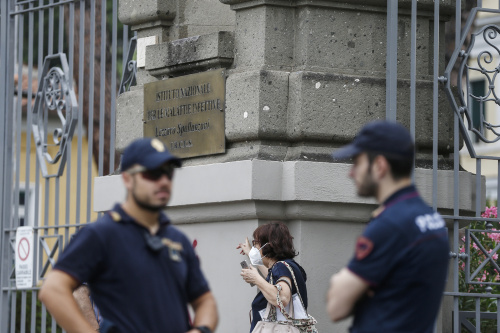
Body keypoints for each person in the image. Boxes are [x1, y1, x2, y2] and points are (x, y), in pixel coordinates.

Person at [39, 137, 218, 333]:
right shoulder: (102, 234)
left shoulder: (177, 239)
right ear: (127, 179)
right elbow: (53, 290)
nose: (164, 181)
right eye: (153, 173)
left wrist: (200, 330)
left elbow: (205, 301)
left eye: (168, 173)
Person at [326, 120, 449, 333]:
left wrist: (346, 281)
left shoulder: (390, 224)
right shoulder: (431, 218)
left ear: (380, 166)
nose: (351, 172)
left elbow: (336, 306)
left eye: (357, 162)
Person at [237, 222, 310, 332]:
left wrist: (256, 279)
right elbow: (273, 278)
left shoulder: (281, 267)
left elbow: (282, 298)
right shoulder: (290, 266)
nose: (254, 248)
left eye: (256, 243)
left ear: (268, 245)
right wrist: (251, 255)